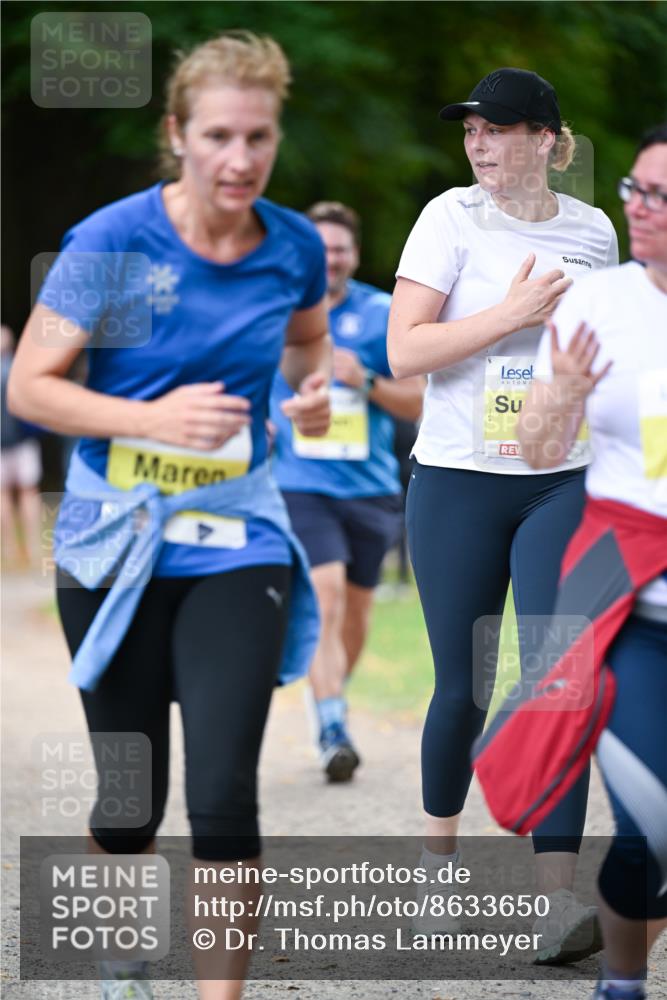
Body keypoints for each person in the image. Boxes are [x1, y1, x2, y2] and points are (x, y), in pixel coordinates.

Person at [8, 31, 331, 1000]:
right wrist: (153, 418)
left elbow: (308, 355)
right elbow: (31, 385)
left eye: (259, 137)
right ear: (178, 135)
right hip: (115, 538)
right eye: (220, 136)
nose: (241, 159)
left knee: (224, 792)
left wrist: (310, 399)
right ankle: (120, 960)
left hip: (238, 532)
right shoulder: (111, 242)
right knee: (128, 802)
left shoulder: (294, 246)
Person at [388, 67, 618, 959]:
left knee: (558, 677)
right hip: (456, 479)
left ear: (548, 141)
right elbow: (404, 350)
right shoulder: (448, 218)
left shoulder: (593, 231)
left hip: (562, 477)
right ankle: (434, 868)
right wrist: (511, 312)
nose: (479, 142)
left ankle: (555, 900)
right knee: (463, 688)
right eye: (470, 130)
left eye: (499, 128)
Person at [518, 123, 667, 1000]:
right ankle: (621, 981)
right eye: (636, 192)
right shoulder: (595, 304)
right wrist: (561, 401)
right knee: (651, 826)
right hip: (631, 610)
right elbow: (538, 450)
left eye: (660, 199)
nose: (638, 210)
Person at [270, 201, 424, 781]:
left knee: (356, 615)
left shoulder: (382, 313)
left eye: (339, 249)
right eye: (320, 248)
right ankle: (333, 725)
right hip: (299, 484)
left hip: (370, 489)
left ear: (353, 255)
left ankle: (329, 695)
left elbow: (419, 402)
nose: (330, 259)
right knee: (325, 597)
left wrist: (369, 381)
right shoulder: (279, 308)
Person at [1, 324, 42, 568]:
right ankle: (34, 545)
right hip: (23, 443)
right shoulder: (19, 372)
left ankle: (8, 548)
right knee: (29, 492)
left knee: (3, 496)